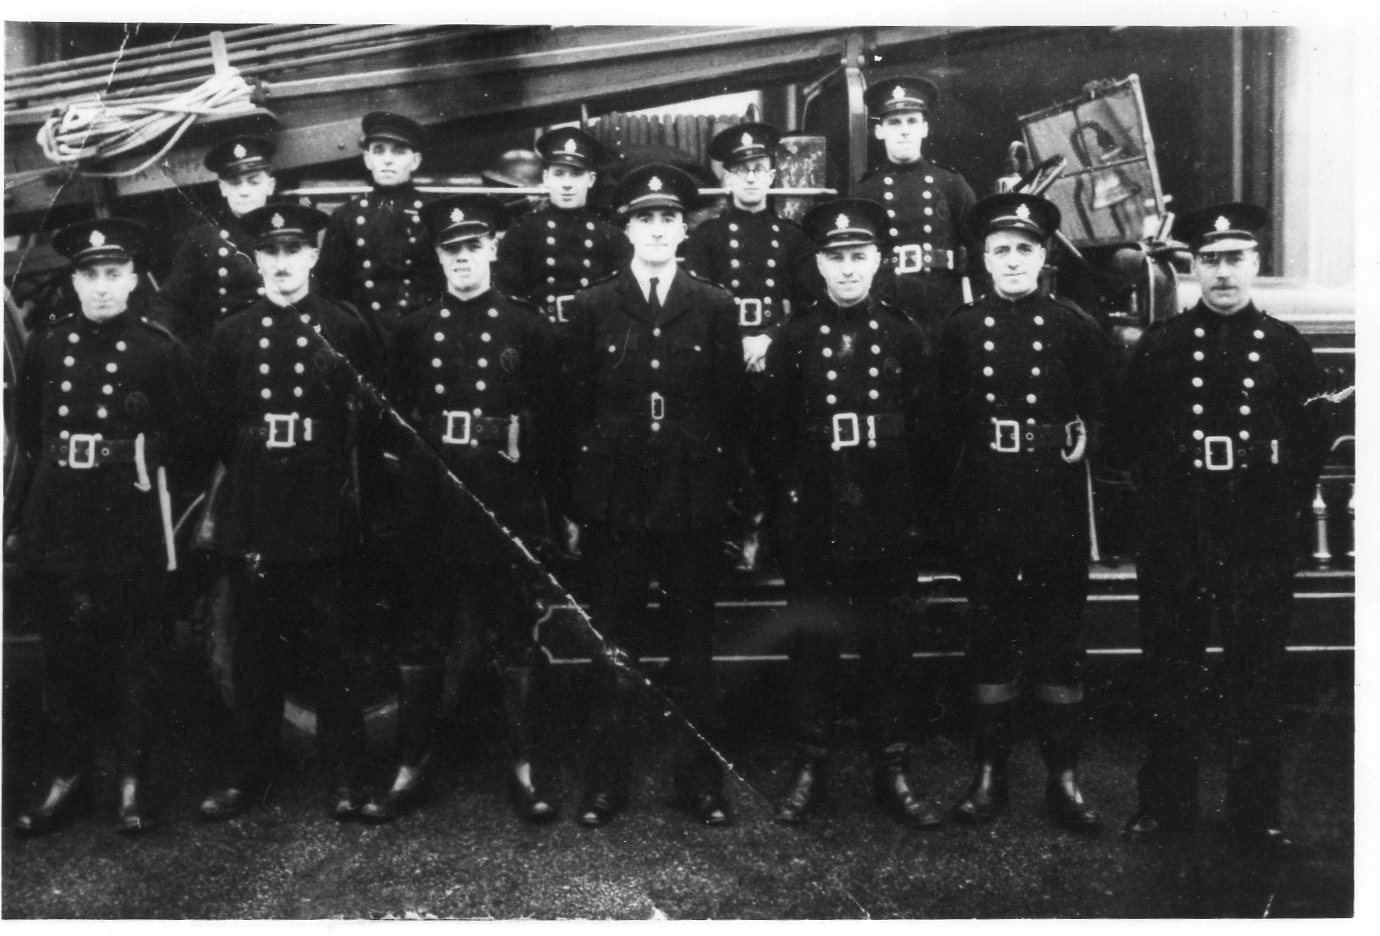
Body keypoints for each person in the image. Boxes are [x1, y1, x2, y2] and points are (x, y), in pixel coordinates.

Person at [1118, 203, 1329, 853]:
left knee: (1256, 674)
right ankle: (1165, 805)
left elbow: (1311, 441)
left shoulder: (1287, 349)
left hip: (1255, 532)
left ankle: (1255, 812)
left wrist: (1276, 512)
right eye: (1209, 261)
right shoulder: (1162, 346)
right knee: (1171, 670)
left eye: (1235, 259)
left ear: (1255, 264)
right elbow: (1135, 442)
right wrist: (1165, 514)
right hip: (1180, 531)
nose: (1223, 274)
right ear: (1193, 269)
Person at [363, 194, 560, 824]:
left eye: (473, 247)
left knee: (514, 636)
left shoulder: (527, 327)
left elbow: (556, 418)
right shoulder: (414, 327)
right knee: (422, 636)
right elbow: (392, 413)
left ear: (493, 249)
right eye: (452, 250)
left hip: (503, 498)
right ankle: (410, 767)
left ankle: (526, 769)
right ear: (438, 257)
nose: (463, 260)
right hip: (434, 501)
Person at [562, 164, 747, 827]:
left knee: (693, 649)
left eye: (670, 219)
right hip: (615, 500)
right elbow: (573, 411)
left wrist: (735, 505)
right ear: (627, 229)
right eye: (645, 219)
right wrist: (577, 506)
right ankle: (606, 784)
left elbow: (733, 412)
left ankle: (700, 785)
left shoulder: (714, 305)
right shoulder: (593, 306)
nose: (658, 230)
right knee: (614, 646)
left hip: (692, 498)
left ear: (684, 229)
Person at [10, 218, 201, 836]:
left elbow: (188, 441)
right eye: (89, 275)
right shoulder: (46, 346)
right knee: (63, 657)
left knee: (135, 657)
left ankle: (131, 783)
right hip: (59, 516)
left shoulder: (159, 349)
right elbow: (33, 438)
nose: (100, 287)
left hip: (130, 518)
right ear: (73, 281)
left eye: (112, 274)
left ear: (131, 280)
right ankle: (66, 778)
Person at [936, 192, 1113, 837]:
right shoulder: (958, 328)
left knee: (1059, 632)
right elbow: (940, 422)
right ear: (983, 259)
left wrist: (1088, 427)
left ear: (1042, 257)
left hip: (1053, 495)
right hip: (986, 495)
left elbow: (1105, 401)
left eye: (1024, 250)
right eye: (1000, 250)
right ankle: (990, 775)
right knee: (990, 631)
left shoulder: (1073, 325)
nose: (1012, 261)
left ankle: (1064, 779)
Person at [197, 203, 379, 822]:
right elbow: (216, 426)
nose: (281, 264)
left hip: (323, 503)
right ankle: (248, 776)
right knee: (254, 653)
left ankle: (349, 778)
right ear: (258, 261)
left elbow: (368, 421)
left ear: (312, 256)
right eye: (270, 252)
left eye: (292, 251)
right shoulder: (231, 334)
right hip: (256, 509)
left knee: (336, 649)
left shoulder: (345, 327)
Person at [762, 198, 940, 828]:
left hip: (887, 511)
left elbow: (928, 434)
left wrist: (919, 516)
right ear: (818, 264)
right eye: (835, 258)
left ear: (878, 261)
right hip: (816, 511)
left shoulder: (906, 334)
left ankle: (892, 770)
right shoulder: (794, 339)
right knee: (814, 642)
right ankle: (810, 766)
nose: (847, 270)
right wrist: (781, 514)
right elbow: (773, 438)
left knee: (888, 644)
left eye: (858, 257)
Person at [684, 121, 821, 571]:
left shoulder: (793, 238)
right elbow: (699, 306)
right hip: (724, 361)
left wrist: (769, 339)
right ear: (725, 176)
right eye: (740, 169)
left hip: (777, 358)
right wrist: (739, 342)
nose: (749, 178)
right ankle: (733, 533)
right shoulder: (706, 238)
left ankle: (772, 534)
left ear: (773, 174)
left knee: (778, 447)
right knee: (725, 449)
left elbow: (806, 306)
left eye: (759, 168)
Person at [494, 126, 632, 560]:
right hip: (543, 354)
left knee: (594, 446)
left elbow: (624, 299)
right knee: (546, 445)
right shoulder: (523, 233)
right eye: (558, 172)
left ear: (591, 180)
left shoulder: (610, 236)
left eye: (577, 173)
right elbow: (510, 298)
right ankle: (553, 531)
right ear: (545, 179)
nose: (567, 182)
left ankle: (594, 533)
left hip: (595, 355)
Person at [856, 75, 977, 325]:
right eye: (894, 122)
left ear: (924, 128)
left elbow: (979, 248)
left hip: (942, 303)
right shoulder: (865, 191)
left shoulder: (951, 183)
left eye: (912, 121)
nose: (904, 130)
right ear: (879, 131)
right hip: (887, 303)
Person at [148, 135, 277, 365]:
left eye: (254, 181)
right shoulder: (204, 239)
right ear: (222, 188)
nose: (244, 191)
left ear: (270, 185)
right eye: (235, 183)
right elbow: (170, 304)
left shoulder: (290, 231)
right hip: (228, 359)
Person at [316, 111, 442, 339]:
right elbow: (330, 291)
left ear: (415, 161)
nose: (387, 159)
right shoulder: (346, 216)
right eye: (379, 150)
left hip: (421, 335)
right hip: (364, 335)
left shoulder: (432, 215)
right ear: (367, 159)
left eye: (398, 151)